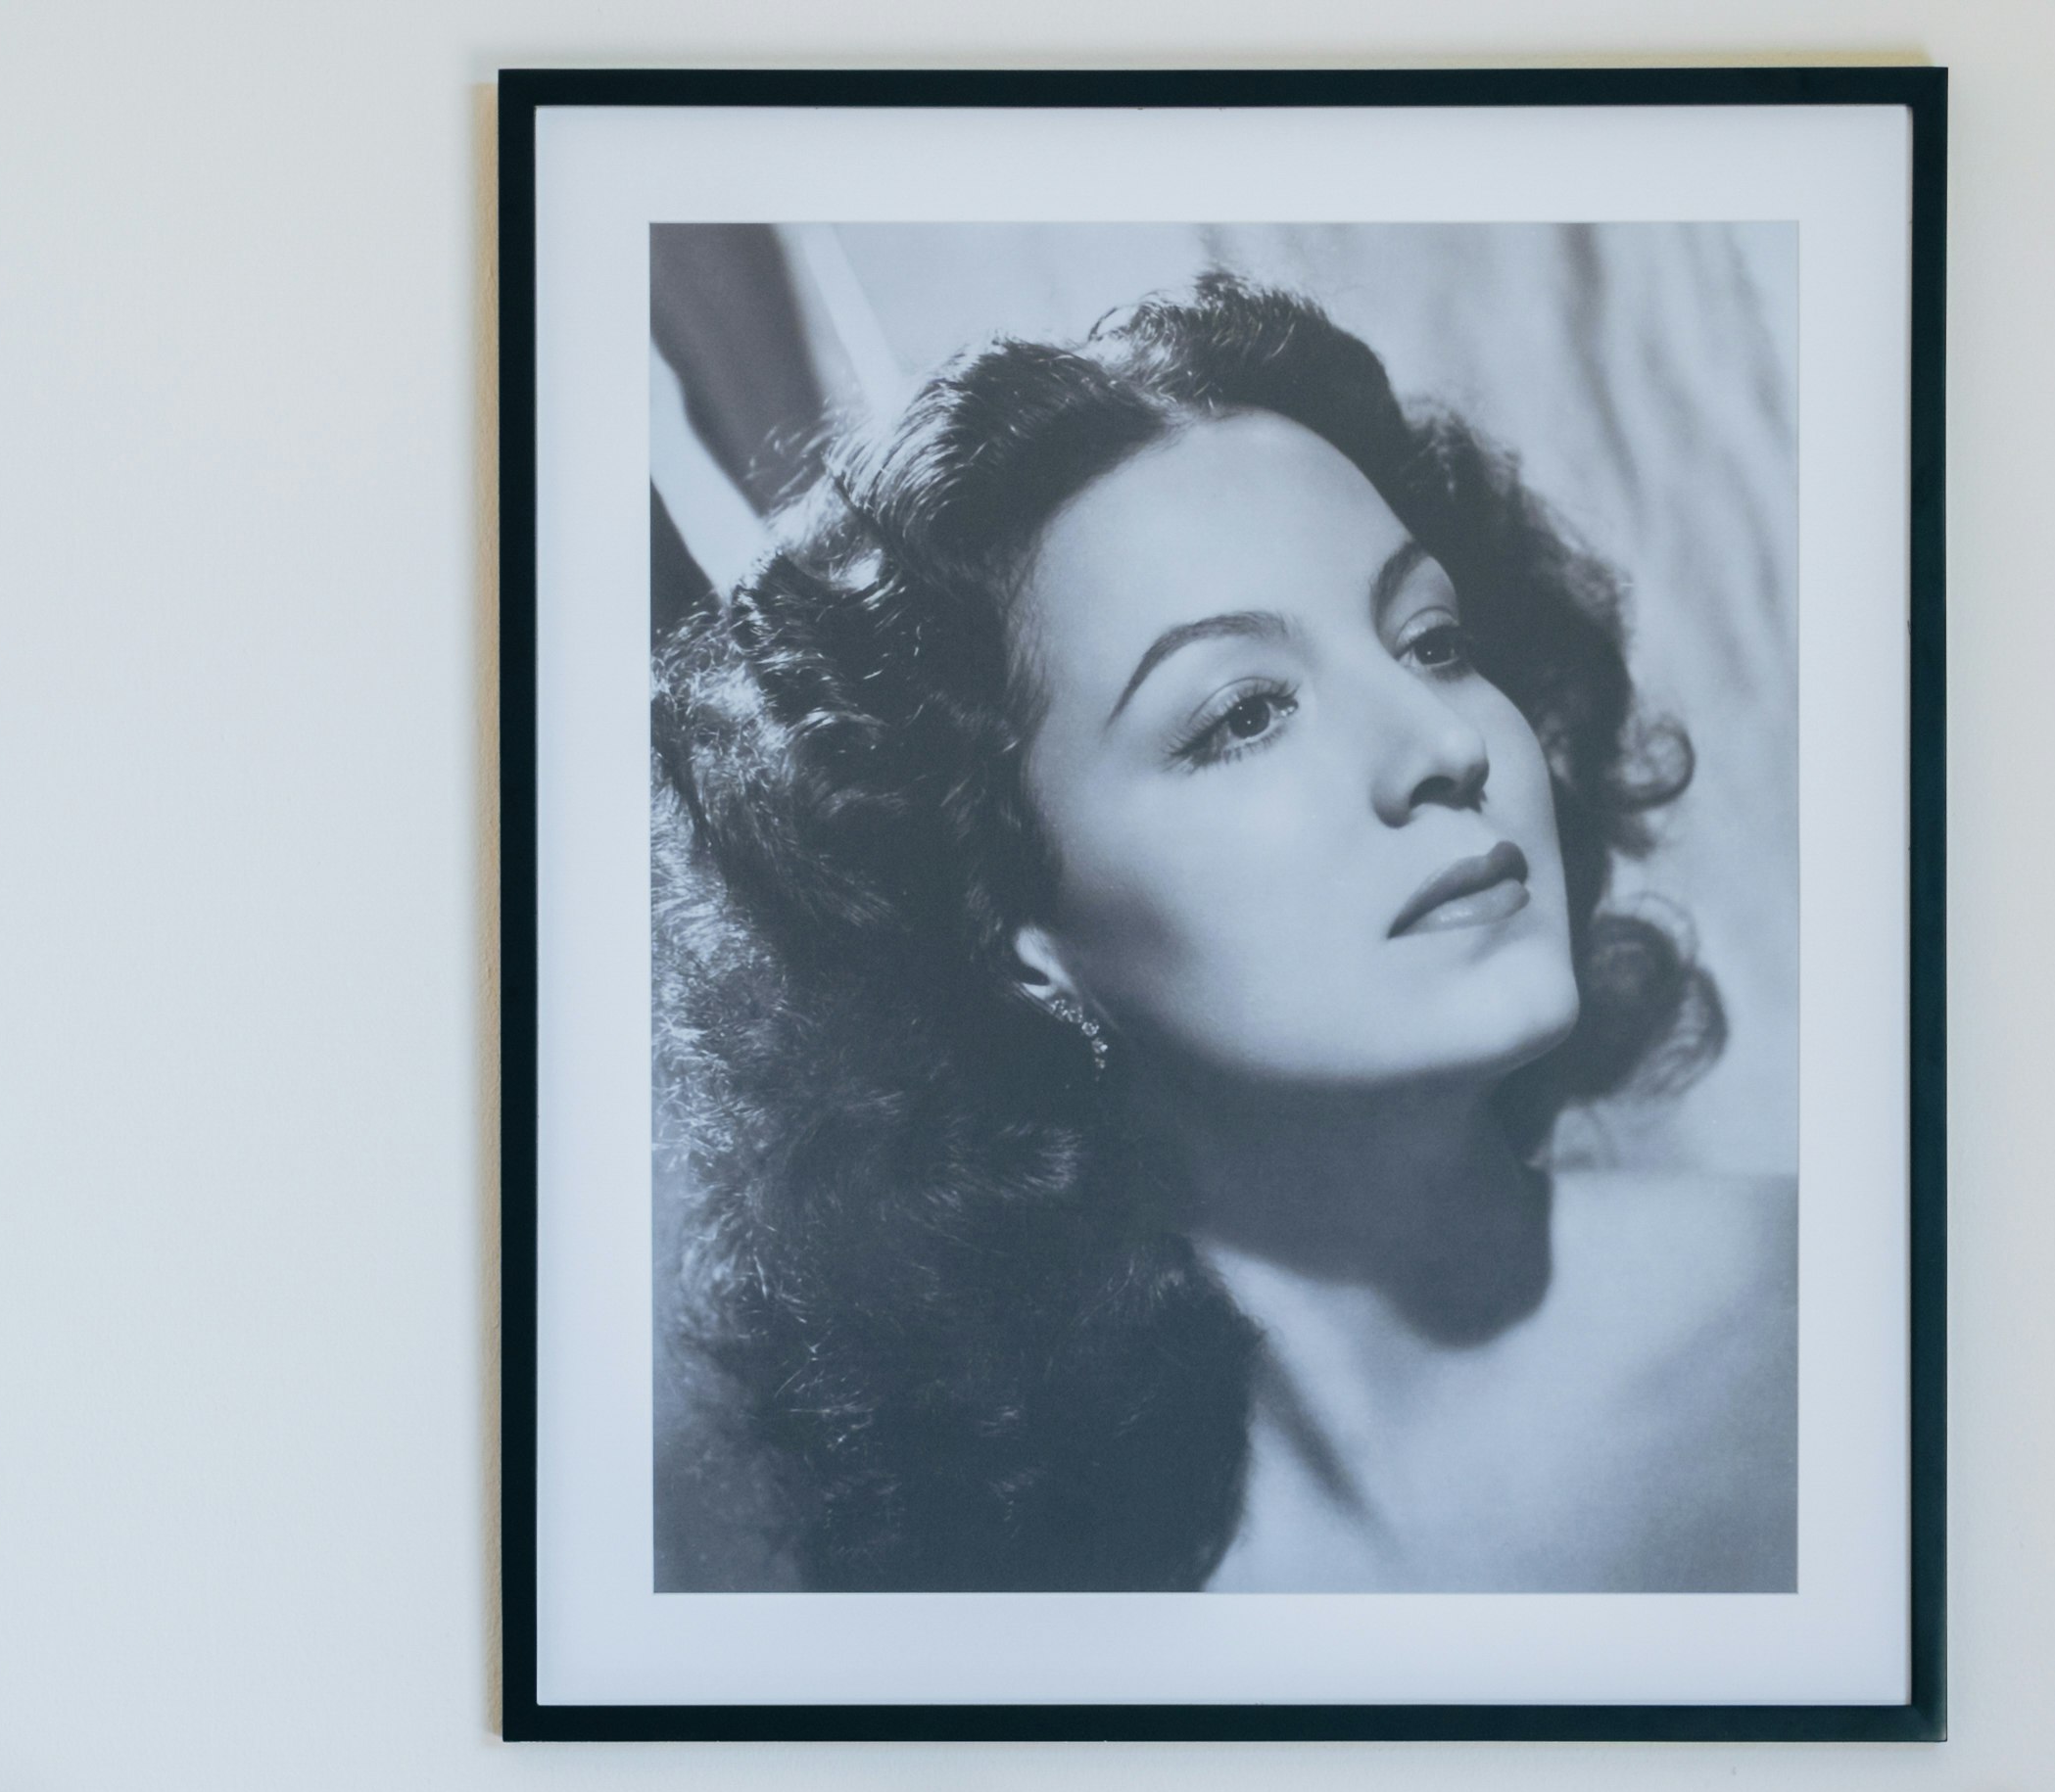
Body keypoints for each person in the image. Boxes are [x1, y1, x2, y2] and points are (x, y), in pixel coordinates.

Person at [655, 271, 1796, 1593]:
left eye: (1431, 641)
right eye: (1242, 714)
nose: (1441, 747)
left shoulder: (1830, 1334)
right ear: (1013, 933)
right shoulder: (1015, 1607)